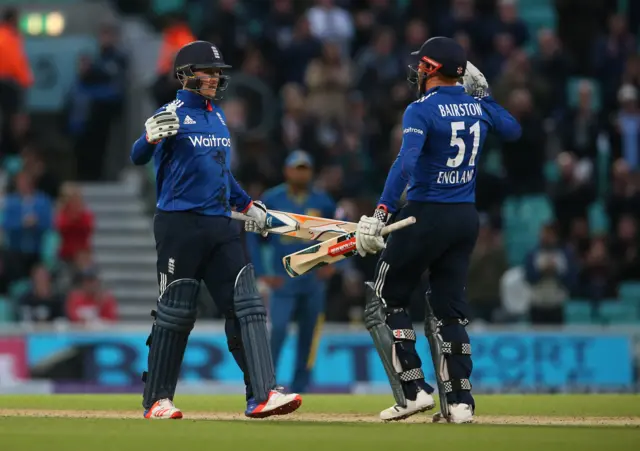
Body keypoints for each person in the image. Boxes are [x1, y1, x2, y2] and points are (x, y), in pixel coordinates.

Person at [130, 40, 301, 420]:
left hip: (221, 224)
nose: (215, 78)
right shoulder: (170, 113)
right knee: (175, 314)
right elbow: (137, 155)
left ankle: (262, 394)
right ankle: (157, 399)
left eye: (218, 72)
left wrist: (248, 205)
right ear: (187, 75)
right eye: (209, 72)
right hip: (179, 225)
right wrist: (148, 137)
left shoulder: (218, 116)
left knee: (247, 307)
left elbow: (222, 174)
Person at [354, 37, 521, 423]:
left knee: (385, 299)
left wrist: (381, 211)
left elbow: (405, 162)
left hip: (424, 215)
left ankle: (414, 391)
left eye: (421, 66)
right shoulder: (478, 105)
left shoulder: (420, 109)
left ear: (430, 69)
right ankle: (461, 404)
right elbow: (513, 130)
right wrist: (486, 96)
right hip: (465, 217)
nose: (416, 71)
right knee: (449, 312)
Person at [247, 150, 336, 393]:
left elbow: (337, 235)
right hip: (282, 280)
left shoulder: (323, 200)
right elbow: (254, 236)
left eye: (305, 168)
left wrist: (331, 263)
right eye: (297, 168)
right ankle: (267, 384)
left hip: (313, 280)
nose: (301, 172)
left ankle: (301, 387)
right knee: (278, 330)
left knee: (309, 336)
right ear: (287, 171)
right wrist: (263, 272)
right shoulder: (272, 199)